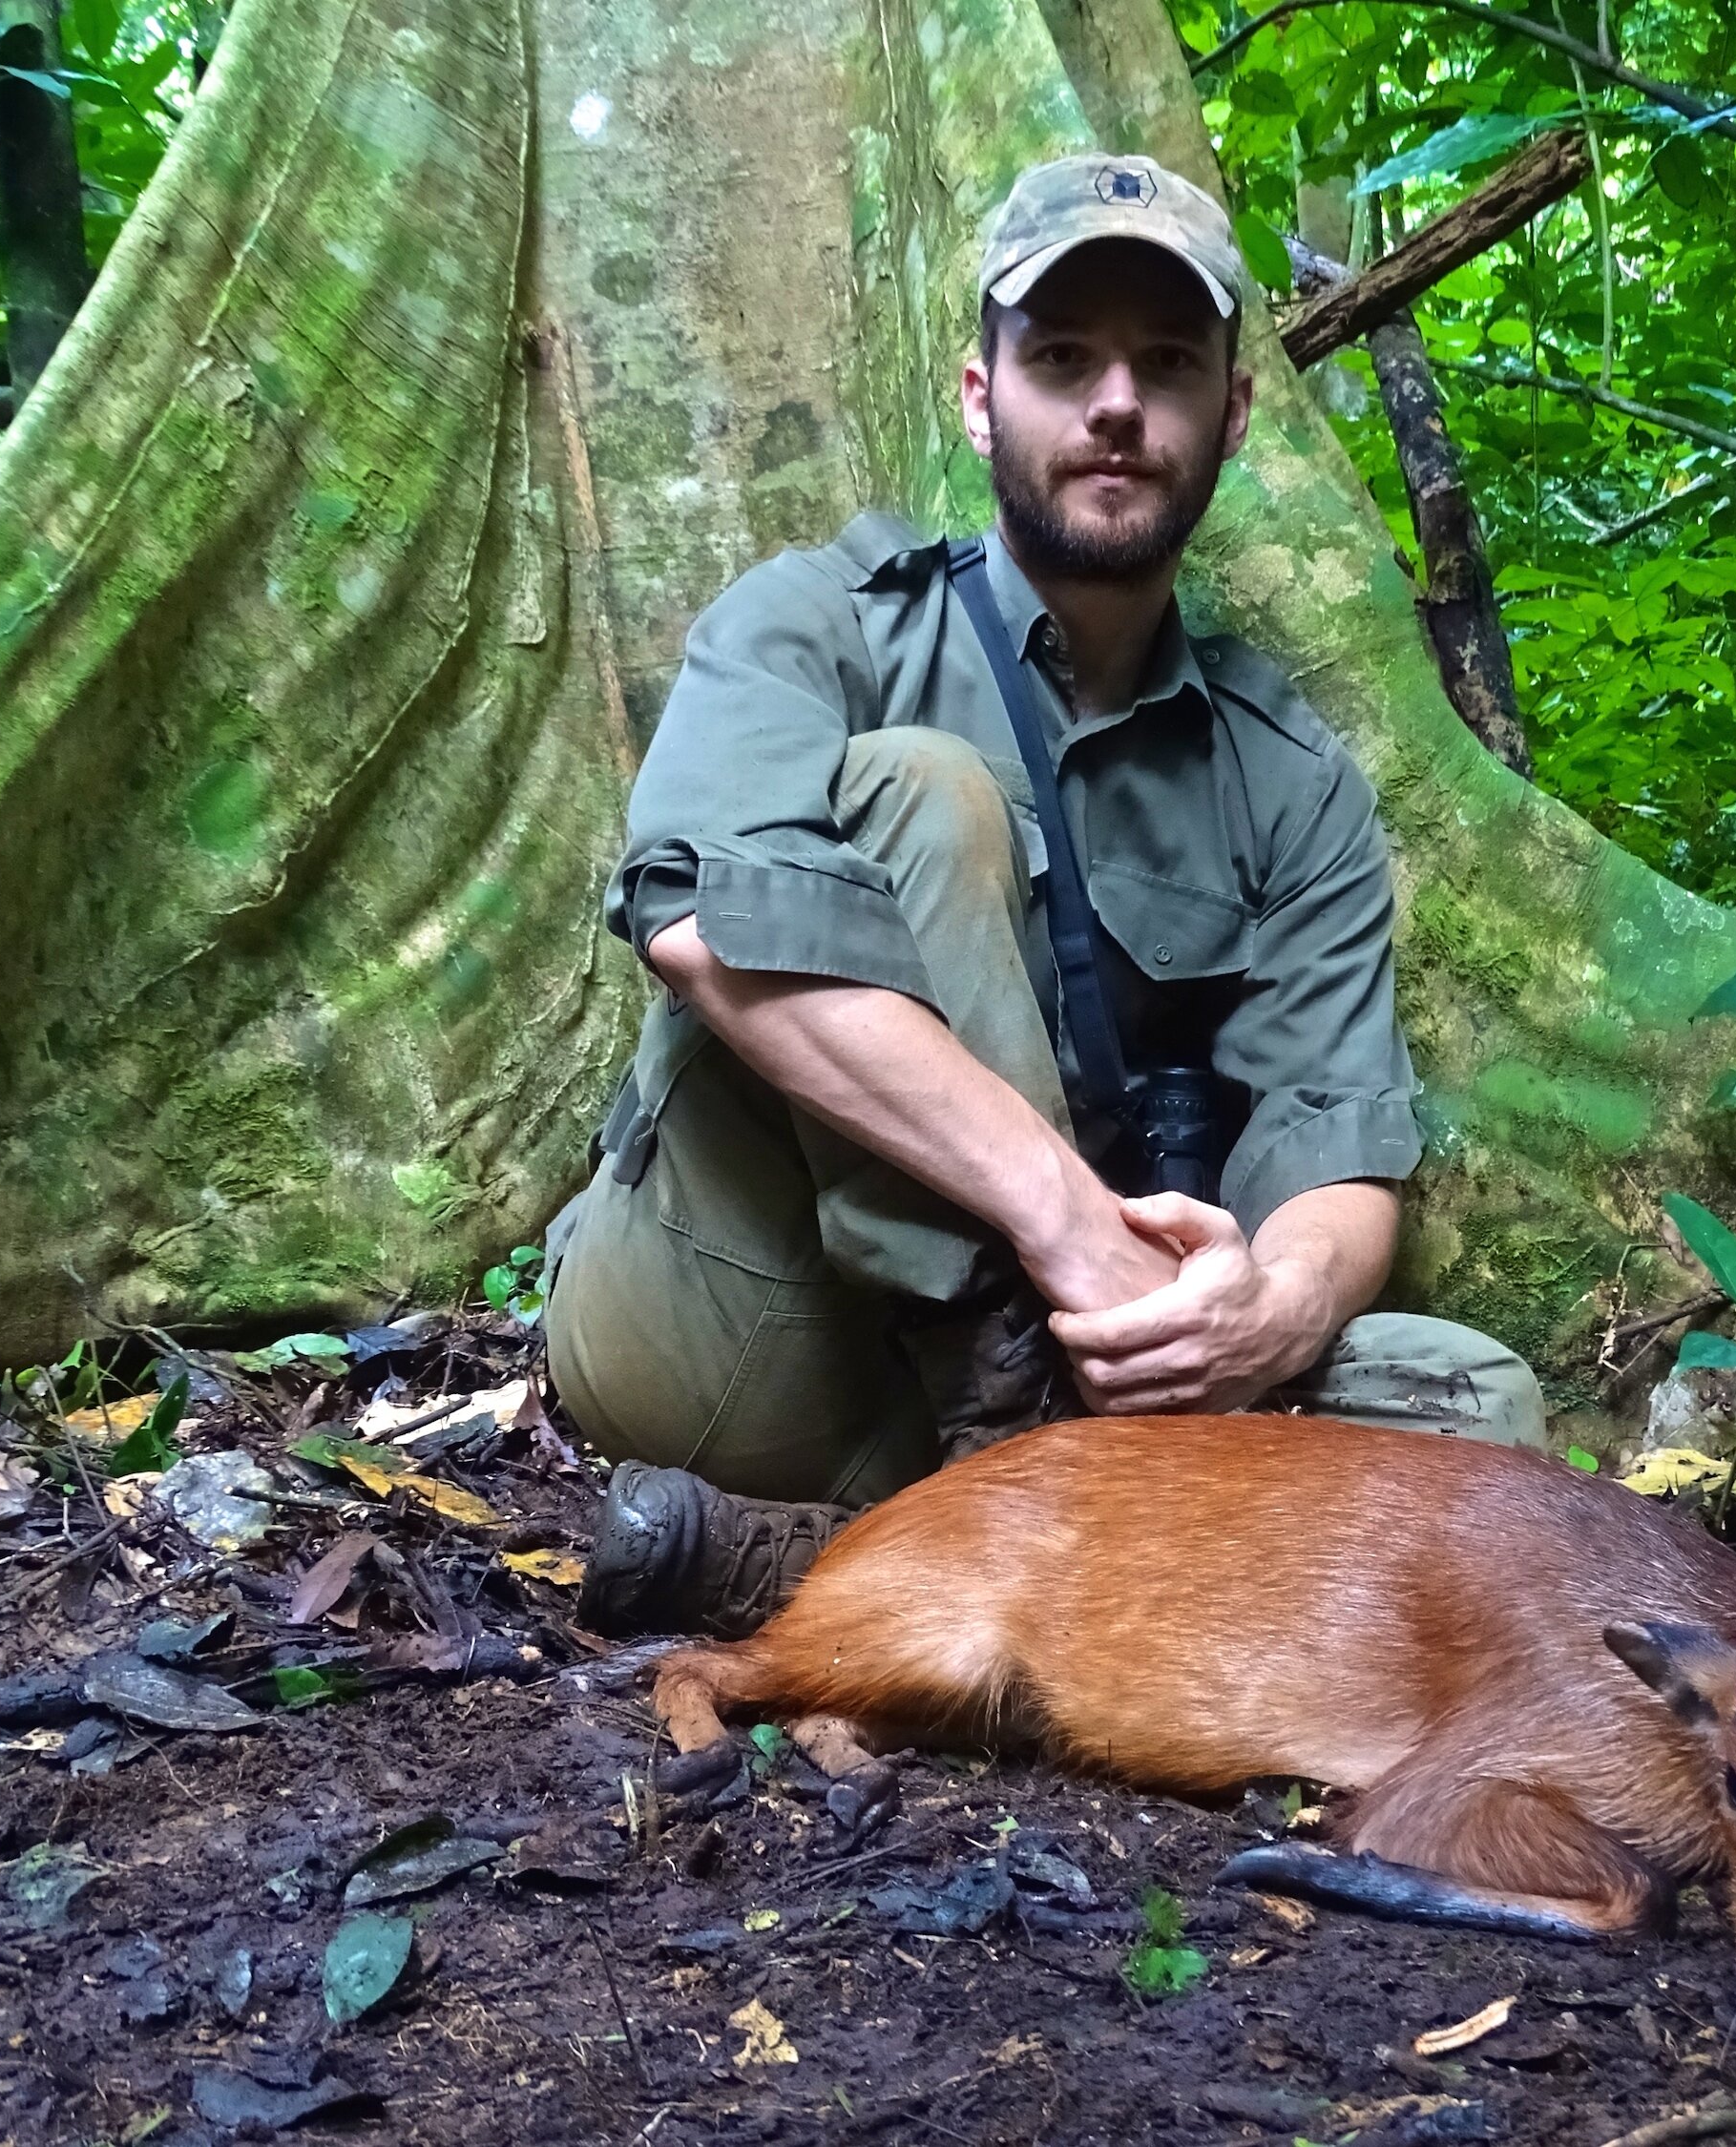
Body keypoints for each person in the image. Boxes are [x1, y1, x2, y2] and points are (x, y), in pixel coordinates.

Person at [541, 151, 1545, 1639]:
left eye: (1167, 362)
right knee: (923, 795)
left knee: (1483, 1413)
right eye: (1064, 358)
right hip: (741, 1323)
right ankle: (1045, 1519)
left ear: (1234, 408)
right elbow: (698, 924)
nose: (1118, 404)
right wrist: (1069, 1227)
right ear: (977, 396)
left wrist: (1264, 1313)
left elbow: (1341, 1151)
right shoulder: (816, 622)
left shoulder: (1291, 776)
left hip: (1089, 1386)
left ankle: (847, 1563)